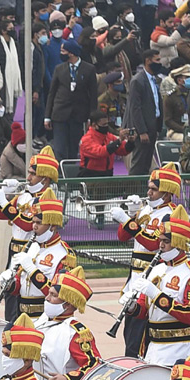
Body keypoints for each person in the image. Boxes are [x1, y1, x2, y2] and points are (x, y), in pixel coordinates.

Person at [111, 165, 180, 358]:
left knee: (139, 340)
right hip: (135, 277)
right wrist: (132, 214)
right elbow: (123, 236)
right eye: (149, 188)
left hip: (153, 277)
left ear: (166, 192)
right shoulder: (146, 209)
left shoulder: (170, 215)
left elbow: (152, 244)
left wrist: (126, 219)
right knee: (130, 333)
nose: (148, 192)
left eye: (153, 189)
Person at [129, 206, 190, 366]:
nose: (160, 245)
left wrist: (156, 295)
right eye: (160, 240)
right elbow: (143, 310)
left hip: (179, 349)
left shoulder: (187, 273)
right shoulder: (155, 269)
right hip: (152, 349)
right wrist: (132, 307)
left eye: (165, 241)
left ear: (178, 242)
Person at [2, 187, 72, 323]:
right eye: (33, 221)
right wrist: (10, 283)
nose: (34, 226)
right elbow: (20, 287)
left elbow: (60, 294)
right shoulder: (31, 247)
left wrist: (32, 270)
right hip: (21, 315)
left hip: (45, 318)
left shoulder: (64, 254)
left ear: (52, 225)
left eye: (39, 223)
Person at [0, 144, 59, 264]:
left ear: (45, 178)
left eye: (33, 174)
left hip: (32, 251)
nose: (28, 178)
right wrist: (0, 198)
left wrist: (4, 203)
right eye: (29, 173)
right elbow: (0, 216)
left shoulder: (47, 199)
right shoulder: (24, 194)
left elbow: (28, 224)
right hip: (13, 248)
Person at [45, 40, 97, 162]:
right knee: (59, 149)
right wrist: (47, 116)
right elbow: (51, 93)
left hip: (78, 115)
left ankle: (71, 177)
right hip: (59, 114)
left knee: (74, 149)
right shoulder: (59, 69)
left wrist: (92, 117)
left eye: (64, 51)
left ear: (72, 53)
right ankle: (60, 176)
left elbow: (93, 95)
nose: (61, 53)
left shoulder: (89, 69)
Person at [125, 48, 165, 175]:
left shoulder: (154, 80)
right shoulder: (138, 80)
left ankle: (143, 192)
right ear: (148, 61)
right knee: (139, 164)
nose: (160, 63)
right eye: (157, 60)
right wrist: (141, 131)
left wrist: (157, 128)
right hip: (143, 130)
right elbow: (135, 108)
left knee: (147, 164)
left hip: (153, 127)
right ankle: (133, 193)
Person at [79, 111, 135, 177]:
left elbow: (122, 150)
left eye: (107, 124)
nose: (106, 126)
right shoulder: (86, 139)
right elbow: (100, 152)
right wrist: (119, 141)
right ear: (94, 125)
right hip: (90, 176)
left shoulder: (109, 136)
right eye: (103, 125)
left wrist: (130, 142)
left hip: (108, 175)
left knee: (133, 183)